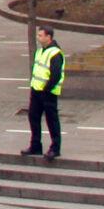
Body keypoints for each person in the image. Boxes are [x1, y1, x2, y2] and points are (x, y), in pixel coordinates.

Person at [22, 27, 65, 159]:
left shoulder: (55, 53)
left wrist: (47, 89)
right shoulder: (40, 51)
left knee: (52, 120)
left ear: (49, 37)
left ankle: (55, 148)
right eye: (38, 35)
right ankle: (35, 145)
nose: (38, 38)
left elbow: (56, 75)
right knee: (33, 117)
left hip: (48, 92)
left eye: (41, 35)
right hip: (36, 91)